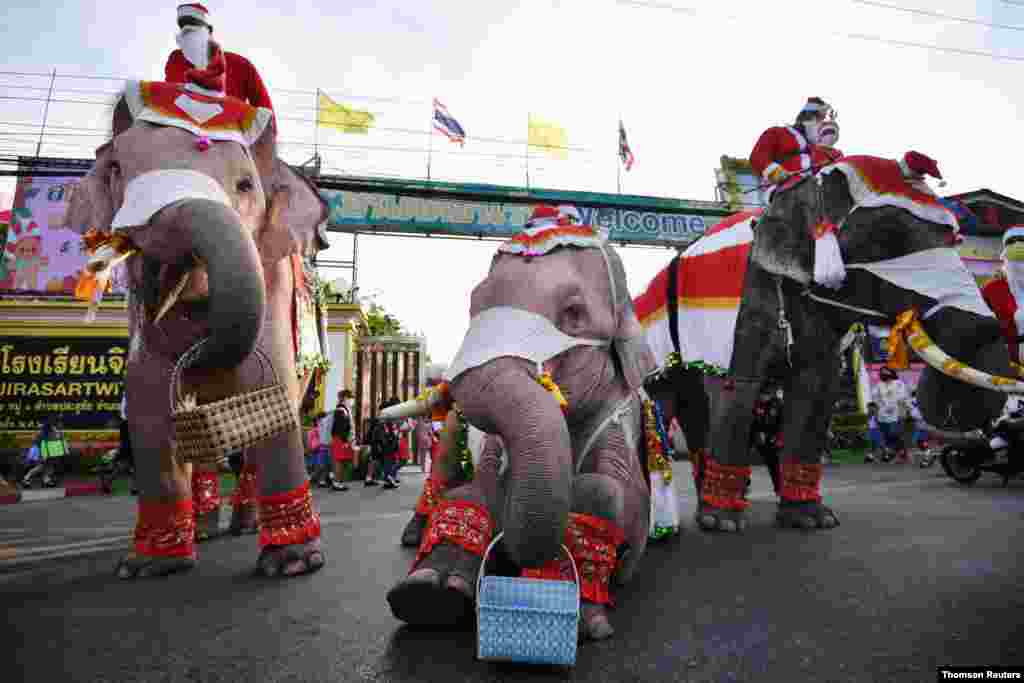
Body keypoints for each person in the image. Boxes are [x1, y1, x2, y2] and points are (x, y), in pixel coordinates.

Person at [165, 3, 274, 112]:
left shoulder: (241, 65)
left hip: (227, 127)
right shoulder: (176, 59)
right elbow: (167, 98)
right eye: (182, 27)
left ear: (209, 31)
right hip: (181, 126)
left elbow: (266, 111)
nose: (187, 31)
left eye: (194, 26)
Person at [749, 97, 843, 193]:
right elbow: (758, 157)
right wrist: (775, 173)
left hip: (817, 191)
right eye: (819, 119)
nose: (821, 124)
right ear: (807, 118)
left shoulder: (822, 149)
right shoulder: (777, 133)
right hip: (783, 189)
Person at [873, 367, 911, 464]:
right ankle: (895, 454)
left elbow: (903, 398)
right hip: (883, 415)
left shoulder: (899, 384)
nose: (883, 374)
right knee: (887, 436)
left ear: (891, 373)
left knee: (894, 433)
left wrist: (904, 412)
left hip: (896, 413)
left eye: (885, 372)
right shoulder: (879, 385)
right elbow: (876, 400)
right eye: (881, 373)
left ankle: (901, 453)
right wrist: (876, 414)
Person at [329, 390, 355, 492]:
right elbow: (340, 427)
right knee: (339, 460)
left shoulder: (345, 409)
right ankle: (336, 482)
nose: (351, 400)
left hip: (343, 438)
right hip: (341, 438)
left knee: (343, 460)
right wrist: (344, 440)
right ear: (344, 398)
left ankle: (339, 481)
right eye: (350, 398)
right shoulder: (341, 410)